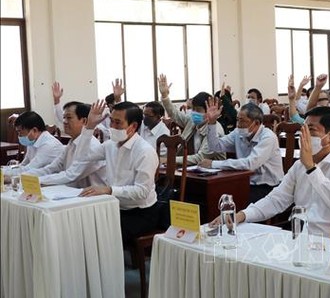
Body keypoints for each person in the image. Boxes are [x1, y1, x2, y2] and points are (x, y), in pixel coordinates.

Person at [213, 106, 330, 236]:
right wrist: (241, 215)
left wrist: (311, 168)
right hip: (305, 242)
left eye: (310, 130)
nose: (303, 136)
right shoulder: (300, 166)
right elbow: (276, 200)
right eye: (302, 129)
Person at [77, 101, 160, 245]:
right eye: (111, 122)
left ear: (133, 126)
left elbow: (142, 192)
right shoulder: (110, 145)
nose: (112, 127)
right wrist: (89, 126)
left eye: (118, 123)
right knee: (83, 226)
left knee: (101, 235)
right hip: (115, 206)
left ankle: (110, 266)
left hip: (140, 212)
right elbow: (82, 156)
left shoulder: (145, 151)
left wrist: (109, 190)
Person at [201, 101, 284, 203]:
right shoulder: (238, 133)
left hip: (268, 187)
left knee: (236, 202)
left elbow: (250, 164)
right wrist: (212, 123)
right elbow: (215, 146)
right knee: (216, 197)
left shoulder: (268, 137)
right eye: (237, 120)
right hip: (245, 183)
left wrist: (213, 164)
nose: (238, 125)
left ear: (256, 123)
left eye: (242, 121)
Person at [26, 102, 107, 187]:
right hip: (76, 192)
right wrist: (24, 176)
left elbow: (71, 175)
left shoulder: (91, 145)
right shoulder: (72, 143)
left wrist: (37, 180)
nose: (64, 121)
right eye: (64, 117)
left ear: (84, 121)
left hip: (96, 197)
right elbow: (53, 168)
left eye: (69, 118)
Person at [158, 74, 225, 165]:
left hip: (214, 174)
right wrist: (165, 95)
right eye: (193, 109)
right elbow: (174, 114)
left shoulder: (215, 131)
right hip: (190, 169)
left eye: (198, 110)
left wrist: (169, 159)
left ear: (209, 110)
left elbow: (200, 158)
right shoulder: (192, 121)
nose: (194, 112)